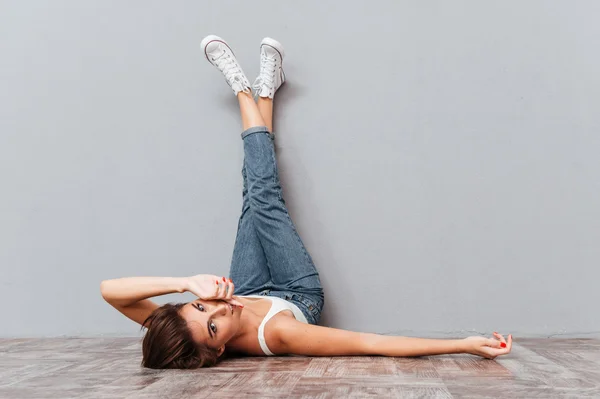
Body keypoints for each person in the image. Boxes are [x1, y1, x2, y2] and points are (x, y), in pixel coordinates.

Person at [100, 35, 513, 369]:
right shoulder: (281, 335)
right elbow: (371, 344)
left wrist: (185, 284)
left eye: (200, 306)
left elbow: (111, 291)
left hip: (250, 284)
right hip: (295, 293)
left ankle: (264, 91)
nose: (219, 311)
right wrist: (463, 344)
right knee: (264, 198)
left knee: (253, 195)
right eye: (212, 327)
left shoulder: (189, 321)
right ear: (218, 351)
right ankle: (245, 91)